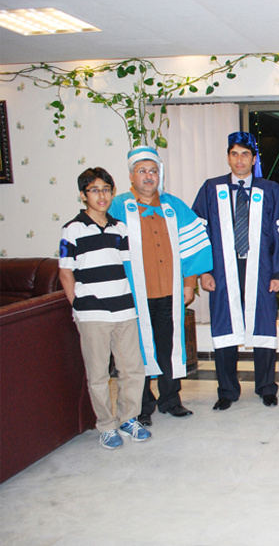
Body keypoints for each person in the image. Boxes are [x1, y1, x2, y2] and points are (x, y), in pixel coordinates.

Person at [109, 146, 212, 426]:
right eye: (142, 171)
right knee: (136, 351)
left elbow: (193, 246)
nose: (148, 176)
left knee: (169, 347)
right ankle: (142, 405)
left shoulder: (173, 206)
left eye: (153, 171)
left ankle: (170, 399)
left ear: (159, 174)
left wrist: (189, 284)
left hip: (169, 292)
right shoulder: (117, 207)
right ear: (131, 176)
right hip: (133, 295)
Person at [192, 132, 279, 410]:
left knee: (264, 326)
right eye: (234, 154)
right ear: (228, 157)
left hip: (261, 269)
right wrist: (204, 271)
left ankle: (266, 387)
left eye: (245, 154)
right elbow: (199, 232)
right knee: (224, 326)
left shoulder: (271, 190)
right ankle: (226, 390)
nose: (239, 160)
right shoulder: (211, 189)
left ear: (254, 159)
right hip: (223, 269)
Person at [59, 167, 150, 449]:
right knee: (98, 374)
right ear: (83, 194)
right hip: (92, 313)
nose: (102, 196)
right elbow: (65, 273)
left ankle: (128, 419)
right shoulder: (72, 229)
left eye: (106, 190)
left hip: (124, 309)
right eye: (95, 190)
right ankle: (106, 426)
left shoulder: (119, 228)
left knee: (132, 369)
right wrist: (78, 305)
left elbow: (127, 267)